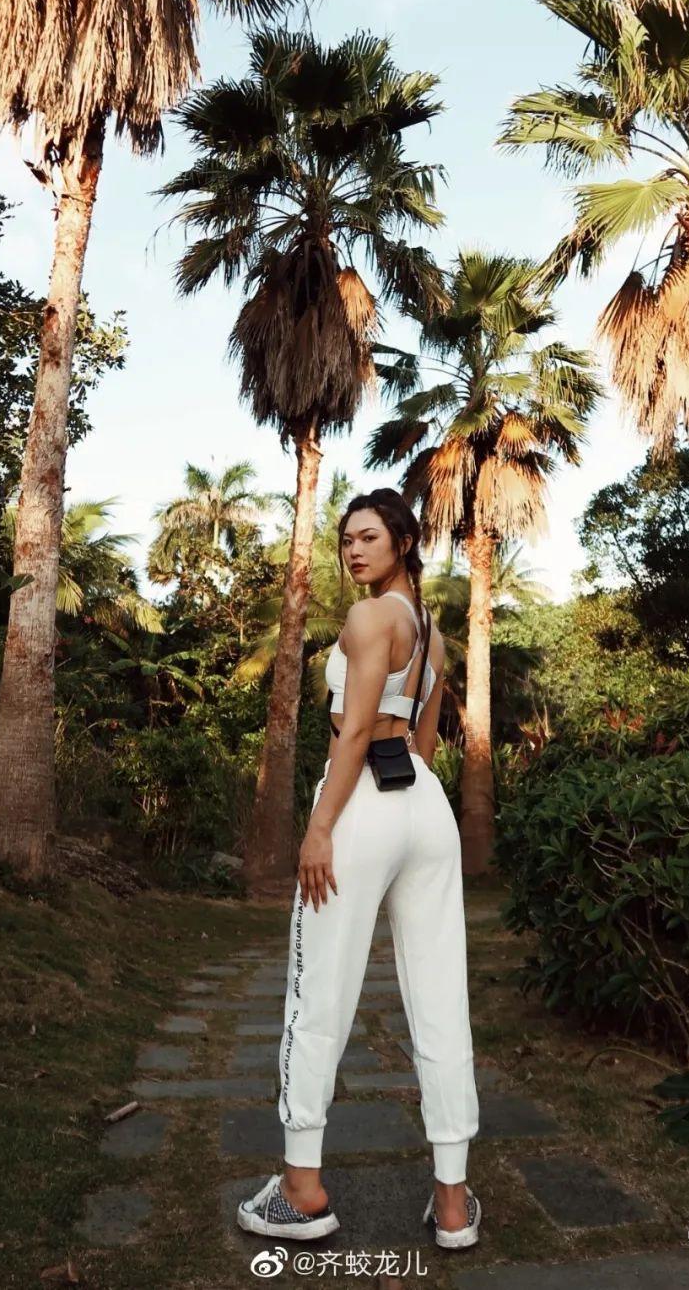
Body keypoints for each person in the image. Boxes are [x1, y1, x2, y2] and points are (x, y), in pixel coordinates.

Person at [236, 489, 481, 1251]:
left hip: (363, 801)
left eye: (369, 537)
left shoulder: (372, 617)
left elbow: (352, 735)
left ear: (403, 541)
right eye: (346, 539)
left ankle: (301, 1192)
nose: (353, 550)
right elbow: (425, 740)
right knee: (441, 997)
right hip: (424, 806)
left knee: (319, 991)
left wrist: (320, 829)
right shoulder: (432, 632)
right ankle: (452, 1202)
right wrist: (409, 807)